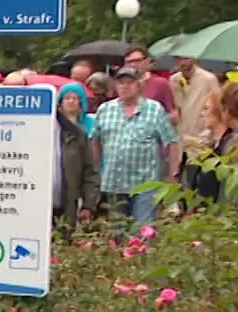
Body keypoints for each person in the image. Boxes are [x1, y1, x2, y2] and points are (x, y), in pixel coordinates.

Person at [92, 66, 181, 223]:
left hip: (145, 184)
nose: (125, 86)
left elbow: (171, 141)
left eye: (129, 82)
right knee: (115, 233)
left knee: (142, 232)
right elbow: (95, 141)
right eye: (121, 82)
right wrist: (96, 171)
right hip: (114, 183)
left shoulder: (154, 109)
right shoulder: (105, 109)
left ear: (139, 85)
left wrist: (173, 174)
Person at [55, 84, 99, 225]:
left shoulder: (79, 133)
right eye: (67, 98)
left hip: (68, 204)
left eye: (75, 98)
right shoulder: (40, 130)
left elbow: (90, 170)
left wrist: (89, 205)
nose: (71, 101)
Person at [170, 55, 222, 149]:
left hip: (201, 139)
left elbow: (217, 108)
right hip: (180, 139)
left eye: (185, 58)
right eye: (179, 59)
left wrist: (207, 135)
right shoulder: (173, 80)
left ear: (194, 58)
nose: (182, 63)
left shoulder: (209, 79)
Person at [122, 46, 176, 114]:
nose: (133, 65)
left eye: (137, 61)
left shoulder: (160, 83)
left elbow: (172, 112)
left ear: (147, 61)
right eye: (129, 62)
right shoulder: (122, 85)